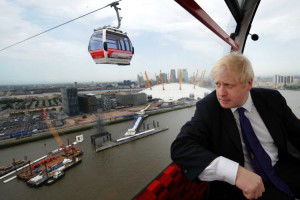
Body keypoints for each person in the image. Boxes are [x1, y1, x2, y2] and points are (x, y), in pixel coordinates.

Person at [171, 53, 300, 200]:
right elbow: (181, 147)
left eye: (228, 85)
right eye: (217, 84)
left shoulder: (272, 99)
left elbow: (296, 132)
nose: (221, 93)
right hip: (238, 188)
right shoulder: (209, 107)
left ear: (249, 83)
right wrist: (236, 173)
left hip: (282, 168)